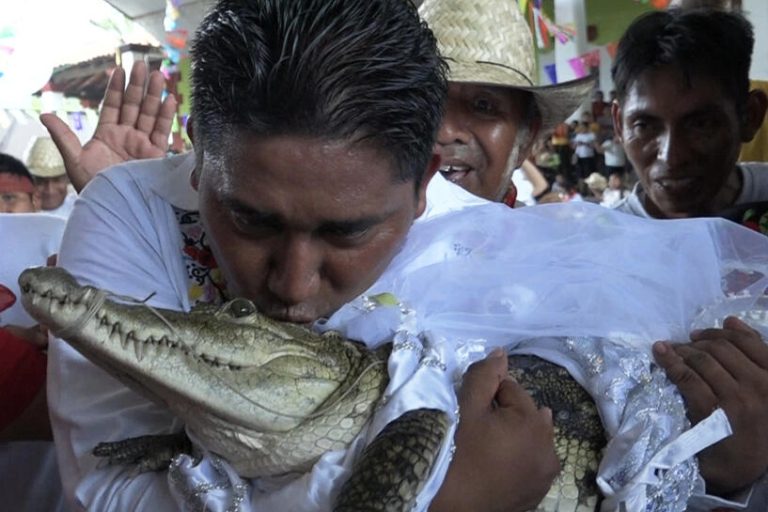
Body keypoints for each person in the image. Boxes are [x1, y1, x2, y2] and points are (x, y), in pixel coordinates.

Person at [42, 2, 768, 511]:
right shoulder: (131, 209)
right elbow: (108, 490)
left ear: (424, 186)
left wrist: (722, 464)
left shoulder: (498, 250)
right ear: (199, 155)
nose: (293, 285)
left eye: (347, 232)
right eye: (251, 219)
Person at [420, 0, 592, 203]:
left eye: (482, 105)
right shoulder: (377, 231)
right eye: (426, 101)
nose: (445, 133)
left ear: (527, 138)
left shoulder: (545, 234)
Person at [611, 8, 768, 219]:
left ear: (750, 116)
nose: (672, 158)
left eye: (701, 124)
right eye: (644, 126)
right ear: (619, 124)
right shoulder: (601, 244)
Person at [25, 137, 77, 218]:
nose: (50, 190)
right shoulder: (17, 213)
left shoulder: (82, 210)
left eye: (57, 180)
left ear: (67, 179)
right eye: (40, 182)